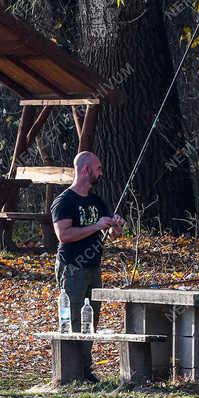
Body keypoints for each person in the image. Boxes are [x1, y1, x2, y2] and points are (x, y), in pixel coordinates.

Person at [51, 152, 124, 382]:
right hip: (72, 267)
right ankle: (68, 372)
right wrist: (95, 226)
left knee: (89, 320)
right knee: (70, 319)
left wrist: (116, 227)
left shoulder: (96, 200)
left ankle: (85, 370)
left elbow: (111, 234)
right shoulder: (65, 201)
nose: (101, 172)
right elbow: (63, 234)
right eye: (98, 168)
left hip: (94, 268)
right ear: (85, 170)